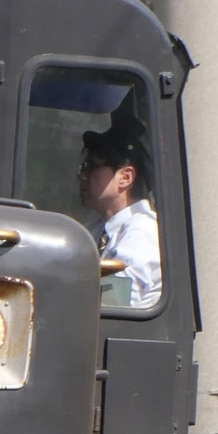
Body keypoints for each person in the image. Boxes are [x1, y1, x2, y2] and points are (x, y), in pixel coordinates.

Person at [77, 120, 162, 309]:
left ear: (125, 177)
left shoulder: (142, 231)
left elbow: (114, 308)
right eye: (84, 167)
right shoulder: (96, 230)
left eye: (93, 166)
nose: (83, 175)